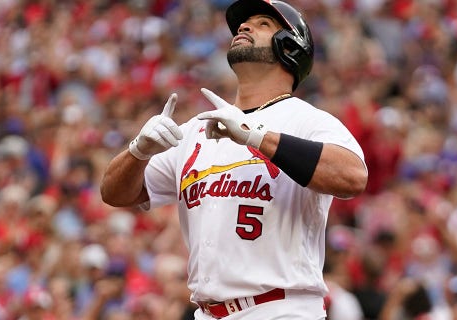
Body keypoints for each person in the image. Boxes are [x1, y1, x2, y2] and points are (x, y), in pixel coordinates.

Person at [100, 0, 368, 319]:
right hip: (206, 311)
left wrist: (256, 135)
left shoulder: (307, 120)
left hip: (281, 308)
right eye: (244, 24)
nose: (244, 27)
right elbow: (114, 193)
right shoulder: (198, 129)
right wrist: (138, 151)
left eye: (263, 24)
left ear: (290, 46)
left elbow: (353, 176)